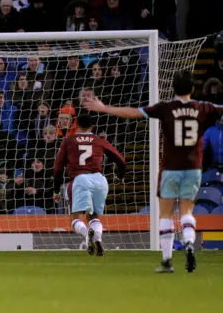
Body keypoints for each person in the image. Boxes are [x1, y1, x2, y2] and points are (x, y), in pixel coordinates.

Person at [84, 71, 223, 273]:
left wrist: (104, 108)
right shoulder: (203, 108)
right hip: (193, 169)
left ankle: (167, 259)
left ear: (173, 88)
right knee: (186, 211)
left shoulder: (166, 108)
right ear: (192, 89)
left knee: (166, 213)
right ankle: (190, 243)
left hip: (170, 168)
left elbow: (134, 113)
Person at [52, 113, 126, 257]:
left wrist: (56, 191)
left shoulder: (69, 141)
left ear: (76, 125)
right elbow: (120, 160)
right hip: (100, 179)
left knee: (75, 218)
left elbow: (58, 168)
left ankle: (87, 234)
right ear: (92, 126)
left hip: (80, 179)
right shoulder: (99, 140)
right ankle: (97, 238)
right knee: (94, 217)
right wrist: (120, 176)